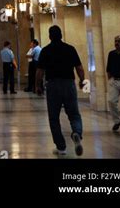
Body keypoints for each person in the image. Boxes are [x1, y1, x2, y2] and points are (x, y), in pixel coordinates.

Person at [36, 25, 85, 157]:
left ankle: (61, 147)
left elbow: (40, 71)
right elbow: (79, 68)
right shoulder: (70, 49)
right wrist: (82, 80)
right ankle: (77, 133)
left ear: (50, 36)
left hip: (52, 85)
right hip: (68, 84)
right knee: (74, 114)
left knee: (54, 118)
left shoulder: (45, 51)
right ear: (61, 35)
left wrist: (38, 86)